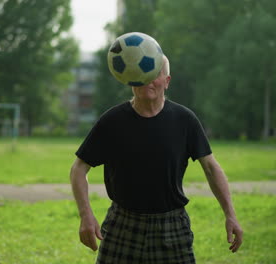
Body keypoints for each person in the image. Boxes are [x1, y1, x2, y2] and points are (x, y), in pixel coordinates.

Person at [70, 55, 243, 264]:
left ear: (167, 81)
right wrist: (85, 215)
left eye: (154, 73)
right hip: (122, 224)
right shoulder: (112, 121)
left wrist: (230, 215)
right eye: (141, 72)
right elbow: (79, 169)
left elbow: (211, 168)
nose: (146, 79)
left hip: (171, 227)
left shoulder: (185, 120)